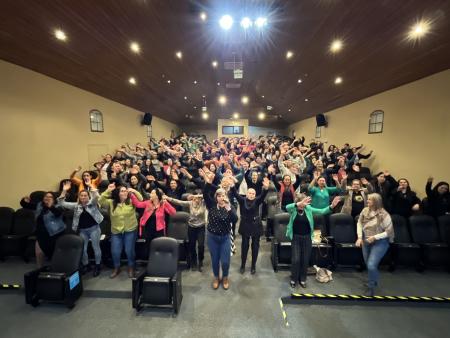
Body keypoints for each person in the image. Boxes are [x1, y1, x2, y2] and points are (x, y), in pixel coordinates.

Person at [285, 195, 340, 288]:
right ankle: (293, 279)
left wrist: (331, 206)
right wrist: (298, 204)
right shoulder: (293, 209)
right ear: (298, 202)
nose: (305, 204)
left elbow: (322, 211)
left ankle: (302, 279)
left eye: (306, 202)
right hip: (296, 238)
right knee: (296, 260)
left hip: (307, 238)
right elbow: (287, 207)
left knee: (305, 259)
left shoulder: (309, 209)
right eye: (303, 202)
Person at [58, 181, 104, 276]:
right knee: (83, 249)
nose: (83, 197)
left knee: (96, 247)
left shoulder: (92, 203)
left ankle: (98, 265)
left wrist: (91, 185)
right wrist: (64, 191)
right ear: (79, 197)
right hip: (83, 230)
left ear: (88, 196)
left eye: (85, 195)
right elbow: (62, 203)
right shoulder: (76, 206)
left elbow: (96, 196)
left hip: (94, 229)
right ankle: (86, 265)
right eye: (81, 196)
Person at [99, 183, 142, 278]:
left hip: (130, 230)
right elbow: (100, 201)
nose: (125, 192)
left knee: (129, 250)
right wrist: (108, 190)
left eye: (126, 190)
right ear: (118, 193)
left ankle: (131, 267)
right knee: (115, 251)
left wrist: (134, 191)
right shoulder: (111, 202)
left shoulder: (131, 201)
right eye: (122, 191)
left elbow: (141, 199)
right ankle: (116, 268)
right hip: (116, 231)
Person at [203, 171, 238, 290]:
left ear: (226, 196)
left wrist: (228, 207)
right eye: (219, 195)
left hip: (225, 237)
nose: (221, 197)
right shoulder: (211, 205)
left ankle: (226, 277)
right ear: (216, 197)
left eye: (223, 195)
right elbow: (204, 193)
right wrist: (208, 182)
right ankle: (216, 277)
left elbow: (235, 219)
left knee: (225, 261)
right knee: (215, 260)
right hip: (212, 237)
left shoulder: (230, 207)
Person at [356, 193, 394, 296]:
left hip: (380, 242)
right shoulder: (365, 210)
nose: (367, 201)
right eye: (367, 199)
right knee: (369, 264)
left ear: (376, 202)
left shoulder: (384, 214)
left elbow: (388, 232)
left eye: (369, 200)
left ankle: (371, 287)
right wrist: (359, 237)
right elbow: (359, 223)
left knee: (372, 265)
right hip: (365, 241)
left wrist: (375, 237)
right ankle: (373, 280)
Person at [230, 177, 269, 274]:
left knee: (255, 246)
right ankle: (243, 265)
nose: (251, 195)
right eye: (249, 193)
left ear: (255, 195)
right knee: (244, 246)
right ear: (246, 193)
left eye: (253, 193)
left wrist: (266, 188)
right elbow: (235, 193)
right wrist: (232, 185)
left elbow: (263, 195)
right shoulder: (242, 200)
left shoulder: (257, 200)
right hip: (245, 224)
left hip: (256, 225)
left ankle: (253, 266)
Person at [20, 192, 66, 267]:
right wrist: (24, 200)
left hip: (55, 234)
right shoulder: (40, 205)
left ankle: (55, 269)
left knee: (54, 254)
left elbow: (58, 213)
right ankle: (39, 269)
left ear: (54, 199)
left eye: (50, 197)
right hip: (41, 233)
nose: (47, 198)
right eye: (45, 196)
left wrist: (50, 206)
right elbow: (25, 205)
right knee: (39, 253)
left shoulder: (58, 206)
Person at [129, 187, 176, 258]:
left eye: (152, 193)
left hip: (159, 230)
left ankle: (159, 263)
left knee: (159, 247)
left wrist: (166, 202)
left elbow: (173, 212)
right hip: (148, 229)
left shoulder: (163, 204)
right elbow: (138, 204)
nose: (150, 194)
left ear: (157, 196)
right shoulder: (147, 203)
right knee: (149, 247)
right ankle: (150, 264)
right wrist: (131, 195)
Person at [166, 193, 207, 272]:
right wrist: (168, 198)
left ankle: (201, 261)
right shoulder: (190, 203)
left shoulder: (204, 202)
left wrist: (199, 196)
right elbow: (178, 202)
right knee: (192, 246)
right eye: (194, 198)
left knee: (201, 246)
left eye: (198, 198)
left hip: (201, 228)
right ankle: (194, 262)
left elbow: (210, 195)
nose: (196, 200)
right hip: (191, 227)